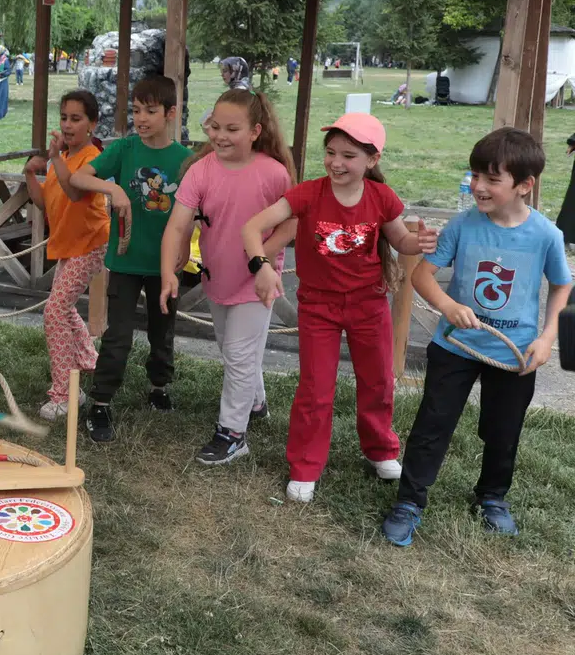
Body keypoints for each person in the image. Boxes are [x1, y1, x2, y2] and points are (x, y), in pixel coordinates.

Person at [382, 129, 572, 545]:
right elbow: (421, 275)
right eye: (474, 175)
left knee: (504, 430)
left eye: (491, 179)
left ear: (525, 185)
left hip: (515, 353)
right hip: (455, 346)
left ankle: (492, 497)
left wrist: (546, 337)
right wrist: (448, 307)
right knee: (433, 422)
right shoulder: (462, 226)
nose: (477, 186)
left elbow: (561, 286)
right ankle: (410, 501)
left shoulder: (546, 236)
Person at [243, 114, 439, 503]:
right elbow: (252, 228)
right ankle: (305, 466)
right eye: (330, 152)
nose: (336, 162)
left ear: (372, 159)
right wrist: (260, 266)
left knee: (379, 381)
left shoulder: (382, 198)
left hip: (369, 304)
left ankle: (381, 450)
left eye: (348, 155)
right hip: (318, 306)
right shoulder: (309, 193)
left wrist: (421, 242)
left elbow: (401, 239)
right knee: (316, 388)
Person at [160, 90, 296, 466]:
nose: (220, 135)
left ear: (255, 131)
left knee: (238, 353)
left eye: (231, 128)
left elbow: (293, 220)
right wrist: (168, 270)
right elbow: (177, 226)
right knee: (231, 348)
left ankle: (232, 434)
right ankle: (256, 401)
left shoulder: (274, 172)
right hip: (217, 276)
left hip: (257, 282)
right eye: (215, 126)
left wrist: (262, 260)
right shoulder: (201, 170)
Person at [63, 76, 191, 443]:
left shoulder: (185, 160)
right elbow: (79, 177)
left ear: (170, 113)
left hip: (165, 267)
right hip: (124, 263)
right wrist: (114, 187)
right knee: (117, 336)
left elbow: (194, 210)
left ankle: (159, 387)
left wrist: (185, 247)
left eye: (150, 111)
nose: (141, 118)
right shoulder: (124, 149)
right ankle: (100, 403)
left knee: (161, 331)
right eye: (136, 110)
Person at [22, 89, 110, 420]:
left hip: (89, 242)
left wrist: (55, 157)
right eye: (64, 118)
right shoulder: (65, 158)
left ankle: (65, 393)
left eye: (76, 119)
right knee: (64, 307)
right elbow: (45, 202)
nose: (68, 125)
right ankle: (90, 362)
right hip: (67, 243)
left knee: (54, 312)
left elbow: (73, 191)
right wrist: (31, 173)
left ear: (92, 124)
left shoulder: (91, 157)